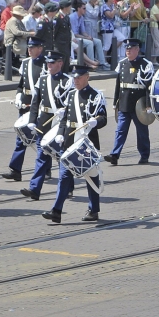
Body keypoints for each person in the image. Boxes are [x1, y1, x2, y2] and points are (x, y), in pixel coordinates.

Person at [40, 65, 108, 223]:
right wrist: (60, 135)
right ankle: (56, 211)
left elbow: (103, 118)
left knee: (91, 177)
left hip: (86, 143)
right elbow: (64, 120)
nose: (75, 81)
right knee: (64, 176)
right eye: (74, 78)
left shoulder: (96, 96)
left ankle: (93, 210)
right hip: (70, 143)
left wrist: (95, 122)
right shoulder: (71, 95)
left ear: (87, 77)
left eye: (78, 78)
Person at [21, 51, 74, 201]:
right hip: (44, 122)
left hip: (60, 124)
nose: (49, 66)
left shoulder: (68, 81)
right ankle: (34, 189)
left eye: (52, 63)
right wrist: (32, 120)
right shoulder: (42, 80)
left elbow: (72, 103)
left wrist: (66, 112)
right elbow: (35, 103)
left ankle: (68, 187)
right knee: (41, 156)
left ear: (60, 63)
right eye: (48, 63)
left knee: (61, 158)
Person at [0, 38, 46, 182]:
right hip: (26, 106)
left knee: (41, 140)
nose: (29, 50)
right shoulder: (25, 63)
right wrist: (19, 96)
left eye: (33, 47)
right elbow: (21, 85)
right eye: (29, 48)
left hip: (39, 107)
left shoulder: (46, 64)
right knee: (21, 138)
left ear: (40, 48)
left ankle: (46, 168)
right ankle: (16, 170)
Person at [105, 37, 155, 165]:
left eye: (131, 48)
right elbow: (119, 85)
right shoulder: (122, 64)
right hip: (124, 103)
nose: (128, 51)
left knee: (141, 132)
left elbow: (149, 87)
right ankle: (115, 155)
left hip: (139, 104)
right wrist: (115, 101)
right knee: (120, 130)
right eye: (126, 48)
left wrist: (149, 105)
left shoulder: (145, 64)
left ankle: (144, 155)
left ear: (137, 49)